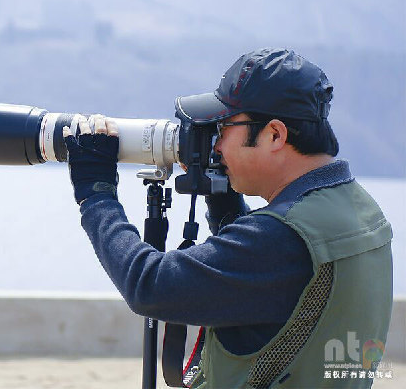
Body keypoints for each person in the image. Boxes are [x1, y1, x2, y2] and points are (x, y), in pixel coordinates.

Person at [62, 48, 393, 388]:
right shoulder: (359, 211)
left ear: (274, 135)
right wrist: (223, 198)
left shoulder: (280, 237)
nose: (216, 145)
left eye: (224, 127)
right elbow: (274, 298)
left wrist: (96, 193)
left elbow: (149, 286)